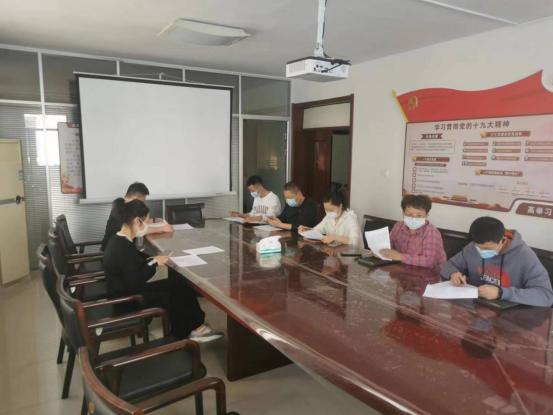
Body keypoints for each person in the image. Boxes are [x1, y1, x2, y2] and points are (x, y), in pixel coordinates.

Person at [103, 198, 224, 342]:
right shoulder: (123, 246)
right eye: (146, 222)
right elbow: (135, 279)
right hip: (130, 300)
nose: (146, 226)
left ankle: (196, 328)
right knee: (175, 296)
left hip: (130, 292)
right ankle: (185, 334)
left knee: (180, 283)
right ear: (137, 221)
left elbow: (132, 268)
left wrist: (152, 260)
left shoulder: (119, 240)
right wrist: (154, 263)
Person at [441, 216, 553, 307]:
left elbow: (546, 296)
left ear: (503, 240)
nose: (481, 251)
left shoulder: (524, 256)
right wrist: (453, 273)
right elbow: (448, 265)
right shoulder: (472, 247)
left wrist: (501, 293)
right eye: (478, 247)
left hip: (511, 316)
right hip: (477, 307)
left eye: (487, 248)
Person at [380, 194, 446, 271]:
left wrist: (400, 256)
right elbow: (388, 246)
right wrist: (380, 252)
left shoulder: (431, 232)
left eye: (419, 216)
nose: (414, 218)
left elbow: (429, 261)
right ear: (403, 213)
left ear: (426, 215)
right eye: (409, 215)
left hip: (430, 274)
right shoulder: (398, 226)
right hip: (403, 270)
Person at [100, 182, 173, 251]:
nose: (142, 203)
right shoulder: (123, 209)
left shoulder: (123, 204)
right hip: (114, 251)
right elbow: (139, 231)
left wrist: (154, 220)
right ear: (136, 198)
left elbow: (135, 222)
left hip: (121, 248)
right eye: (142, 201)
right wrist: (162, 228)